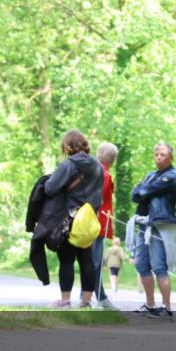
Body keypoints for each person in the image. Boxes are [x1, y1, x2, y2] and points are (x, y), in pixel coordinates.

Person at [44, 130, 104, 308]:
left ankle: (65, 301)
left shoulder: (69, 164)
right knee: (87, 261)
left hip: (69, 218)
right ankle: (86, 302)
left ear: (68, 146)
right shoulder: (97, 166)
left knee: (67, 260)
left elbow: (50, 188)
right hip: (89, 219)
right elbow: (99, 194)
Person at [131, 142, 176, 320]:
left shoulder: (173, 176)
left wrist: (143, 191)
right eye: (156, 154)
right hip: (143, 223)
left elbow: (147, 190)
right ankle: (150, 305)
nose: (159, 157)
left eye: (163, 154)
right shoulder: (151, 175)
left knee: (159, 267)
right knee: (142, 265)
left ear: (171, 157)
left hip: (160, 225)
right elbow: (135, 194)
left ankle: (166, 309)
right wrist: (143, 191)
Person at [92, 142, 118, 309]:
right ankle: (99, 297)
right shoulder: (104, 175)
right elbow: (98, 199)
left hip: (87, 223)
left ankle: (87, 296)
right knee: (95, 261)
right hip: (97, 223)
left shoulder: (90, 170)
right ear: (112, 160)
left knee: (91, 260)